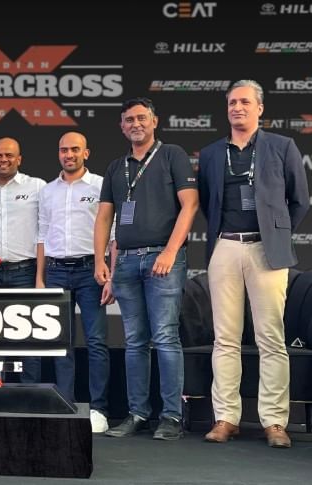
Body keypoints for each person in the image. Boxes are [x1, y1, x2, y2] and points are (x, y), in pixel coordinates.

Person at [198, 80, 309, 448]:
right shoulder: (212, 153)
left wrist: (275, 234)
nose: (237, 108)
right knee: (225, 338)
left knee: (271, 338)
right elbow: (207, 202)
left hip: (267, 250)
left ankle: (275, 422)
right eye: (232, 102)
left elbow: (299, 200)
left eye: (245, 102)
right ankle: (226, 418)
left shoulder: (282, 146)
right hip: (226, 247)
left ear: (260, 108)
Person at [94, 97, 199, 440]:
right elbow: (105, 217)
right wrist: (102, 263)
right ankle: (138, 413)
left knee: (165, 337)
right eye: (129, 119)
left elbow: (190, 204)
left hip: (162, 258)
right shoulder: (116, 167)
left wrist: (170, 251)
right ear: (121, 126)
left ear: (155, 121)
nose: (135, 124)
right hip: (125, 260)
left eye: (142, 118)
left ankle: (171, 417)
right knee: (135, 340)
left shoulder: (172, 155)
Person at [36, 131, 113, 434]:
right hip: (55, 271)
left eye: (74, 149)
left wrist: (110, 270)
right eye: (64, 150)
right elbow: (41, 235)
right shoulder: (47, 191)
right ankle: (65, 404)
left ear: (86, 153)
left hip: (90, 270)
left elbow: (112, 233)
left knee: (96, 342)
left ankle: (99, 408)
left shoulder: (100, 185)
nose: (69, 155)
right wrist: (39, 277)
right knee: (61, 344)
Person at [0, 137, 45, 384]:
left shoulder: (37, 186)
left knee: (28, 337)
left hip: (25, 271)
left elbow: (45, 231)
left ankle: (30, 397)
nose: (3, 159)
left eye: (9, 155)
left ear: (19, 159)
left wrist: (40, 276)